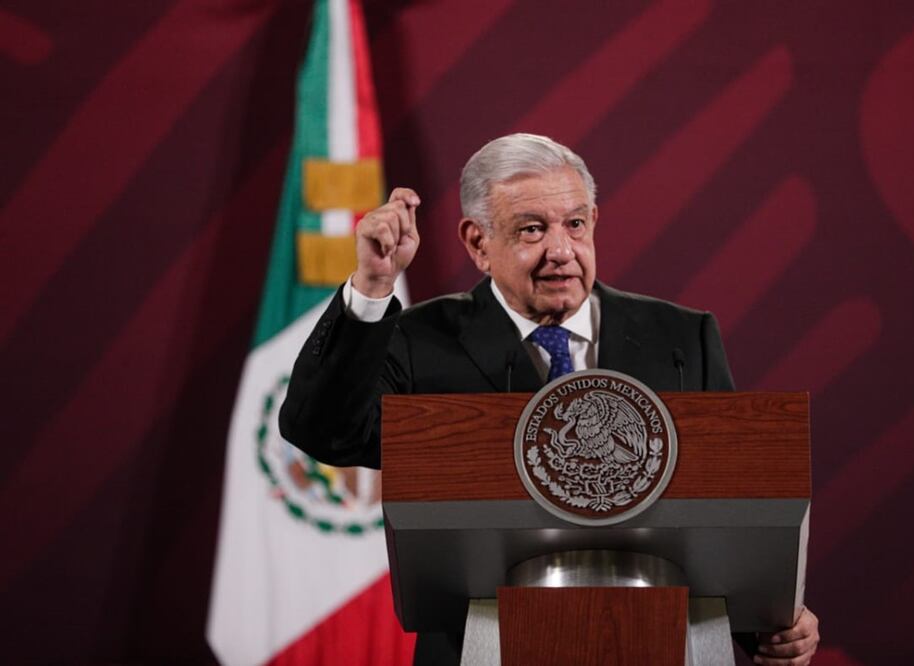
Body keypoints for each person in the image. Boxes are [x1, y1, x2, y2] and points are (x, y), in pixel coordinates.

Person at [280, 133, 820, 665]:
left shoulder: (681, 338)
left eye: (576, 225)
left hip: (660, 644)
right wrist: (373, 287)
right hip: (482, 647)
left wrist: (769, 627)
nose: (561, 251)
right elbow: (326, 430)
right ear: (477, 243)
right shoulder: (420, 340)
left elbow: (724, 502)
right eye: (532, 230)